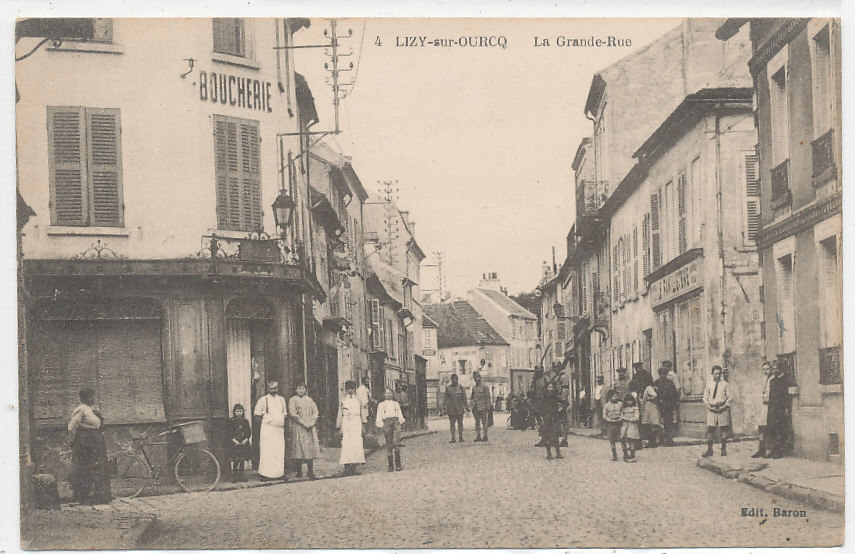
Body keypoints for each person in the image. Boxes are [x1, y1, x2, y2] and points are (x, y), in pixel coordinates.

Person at [67, 388, 111, 505]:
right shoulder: (81, 409)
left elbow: (97, 424)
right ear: (84, 398)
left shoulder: (91, 409)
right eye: (91, 397)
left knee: (98, 467)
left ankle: (100, 495)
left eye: (93, 396)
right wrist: (72, 441)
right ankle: (84, 496)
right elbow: (72, 426)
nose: (93, 399)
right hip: (86, 442)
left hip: (95, 441)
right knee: (87, 467)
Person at [254, 380, 288, 480]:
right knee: (267, 451)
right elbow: (257, 414)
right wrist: (266, 424)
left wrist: (280, 421)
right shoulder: (263, 400)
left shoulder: (282, 399)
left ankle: (279, 473)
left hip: (279, 431)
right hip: (267, 430)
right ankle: (265, 474)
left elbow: (285, 414)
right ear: (268, 389)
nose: (274, 390)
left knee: (279, 451)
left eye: (275, 388)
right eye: (271, 388)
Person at [288, 383, 321, 480]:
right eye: (299, 388)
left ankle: (310, 471)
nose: (301, 390)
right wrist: (303, 423)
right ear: (296, 390)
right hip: (299, 427)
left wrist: (312, 422)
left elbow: (316, 412)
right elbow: (293, 413)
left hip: (309, 427)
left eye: (303, 388)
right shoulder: (293, 400)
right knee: (298, 449)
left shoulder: (309, 400)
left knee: (309, 449)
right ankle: (299, 471)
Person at [702, 366, 732, 457]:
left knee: (724, 429)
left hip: (723, 409)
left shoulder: (725, 384)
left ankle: (723, 449)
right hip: (712, 409)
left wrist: (725, 406)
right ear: (712, 374)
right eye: (716, 373)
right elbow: (705, 398)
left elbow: (730, 397)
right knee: (711, 429)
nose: (718, 375)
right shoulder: (709, 384)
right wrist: (709, 406)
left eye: (719, 373)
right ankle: (709, 450)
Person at [376, 388, 406, 471]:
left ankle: (398, 465)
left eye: (390, 393)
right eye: (387, 393)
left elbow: (399, 413)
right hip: (387, 422)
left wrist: (400, 421)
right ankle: (390, 466)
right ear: (384, 394)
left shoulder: (396, 404)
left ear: (392, 394)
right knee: (389, 444)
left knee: (396, 442)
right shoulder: (381, 405)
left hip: (395, 422)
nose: (388, 395)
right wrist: (381, 424)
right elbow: (379, 415)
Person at [766, 361, 790, 459]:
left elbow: (786, 396)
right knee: (772, 429)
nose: (775, 370)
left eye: (776, 368)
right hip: (772, 408)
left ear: (780, 369)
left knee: (780, 430)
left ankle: (779, 452)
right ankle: (774, 450)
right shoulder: (772, 381)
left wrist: (786, 408)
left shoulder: (784, 381)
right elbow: (771, 395)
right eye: (773, 368)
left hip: (780, 408)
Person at [751, 361, 773, 458]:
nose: (765, 371)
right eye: (763, 369)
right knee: (761, 428)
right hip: (762, 407)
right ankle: (761, 449)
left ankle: (769, 450)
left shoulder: (772, 379)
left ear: (771, 369)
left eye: (767, 369)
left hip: (769, 407)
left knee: (767, 428)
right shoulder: (763, 379)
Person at [653, 365, 679, 446]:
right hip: (666, 406)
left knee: (664, 423)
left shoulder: (657, 382)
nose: (663, 375)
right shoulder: (668, 383)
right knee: (667, 423)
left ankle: (666, 440)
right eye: (662, 374)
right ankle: (667, 440)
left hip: (663, 406)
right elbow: (675, 395)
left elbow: (674, 394)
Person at [227, 404, 252, 482]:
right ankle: (234, 476)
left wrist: (246, 439)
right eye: (237, 411)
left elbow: (248, 431)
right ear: (234, 412)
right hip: (235, 443)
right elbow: (229, 432)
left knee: (242, 459)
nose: (239, 413)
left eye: (240, 411)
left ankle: (241, 475)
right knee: (235, 460)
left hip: (243, 442)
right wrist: (234, 440)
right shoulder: (231, 421)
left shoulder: (245, 421)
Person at [541, 382, 564, 460]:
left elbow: (564, 403)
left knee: (556, 436)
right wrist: (543, 417)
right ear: (546, 388)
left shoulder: (556, 397)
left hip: (555, 418)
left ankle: (558, 453)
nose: (551, 389)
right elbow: (541, 408)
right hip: (547, 419)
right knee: (547, 436)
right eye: (549, 387)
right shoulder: (544, 398)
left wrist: (561, 409)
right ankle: (549, 454)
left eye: (552, 387)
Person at [443, 374, 469, 443]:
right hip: (451, 409)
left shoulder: (461, 388)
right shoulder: (448, 388)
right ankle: (453, 437)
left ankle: (460, 437)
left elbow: (464, 398)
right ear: (451, 380)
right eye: (453, 379)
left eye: (455, 379)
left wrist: (466, 407)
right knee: (452, 424)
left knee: (460, 423)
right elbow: (445, 399)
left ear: (457, 379)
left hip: (460, 409)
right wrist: (444, 408)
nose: (454, 381)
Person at [470, 372, 492, 442]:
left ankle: (485, 436)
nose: (477, 379)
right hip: (476, 407)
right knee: (477, 422)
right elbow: (472, 397)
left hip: (483, 407)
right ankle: (478, 435)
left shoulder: (485, 387)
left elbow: (488, 397)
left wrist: (488, 406)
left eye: (478, 378)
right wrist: (471, 405)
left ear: (480, 378)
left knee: (484, 422)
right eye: (475, 378)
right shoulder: (473, 388)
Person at [602, 390, 623, 462]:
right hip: (611, 423)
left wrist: (621, 418)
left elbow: (623, 412)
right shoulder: (607, 405)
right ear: (610, 397)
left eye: (617, 396)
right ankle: (614, 455)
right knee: (612, 440)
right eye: (615, 396)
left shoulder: (620, 404)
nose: (616, 397)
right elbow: (604, 415)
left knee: (622, 438)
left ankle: (625, 453)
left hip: (619, 423)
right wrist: (609, 419)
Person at [641, 382, 663, 448]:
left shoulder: (648, 388)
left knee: (652, 424)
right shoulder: (649, 388)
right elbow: (655, 395)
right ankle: (653, 441)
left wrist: (649, 399)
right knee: (652, 424)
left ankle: (652, 442)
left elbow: (654, 396)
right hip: (650, 407)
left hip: (650, 407)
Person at [530, 366, 548, 446]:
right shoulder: (534, 381)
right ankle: (543, 439)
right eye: (536, 371)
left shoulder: (545, 379)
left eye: (539, 371)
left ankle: (547, 439)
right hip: (537, 403)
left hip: (545, 403)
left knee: (546, 421)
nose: (538, 372)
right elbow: (531, 391)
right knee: (539, 422)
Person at [620, 393, 641, 462]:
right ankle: (625, 453)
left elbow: (636, 417)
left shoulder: (635, 408)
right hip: (624, 426)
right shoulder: (623, 408)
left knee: (631, 440)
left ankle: (632, 455)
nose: (629, 402)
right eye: (627, 401)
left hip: (632, 426)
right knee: (622, 439)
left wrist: (627, 419)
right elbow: (621, 416)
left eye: (631, 400)